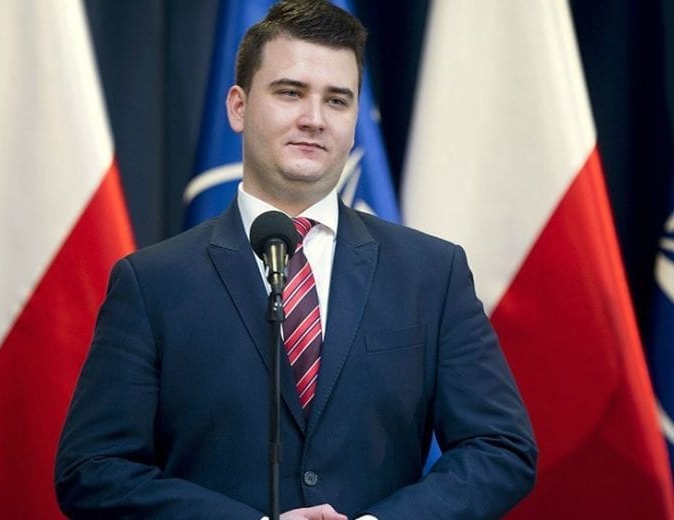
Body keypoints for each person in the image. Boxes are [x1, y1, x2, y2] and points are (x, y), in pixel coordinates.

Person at [54, 1, 537, 518]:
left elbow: (500, 447)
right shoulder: (153, 283)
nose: (314, 119)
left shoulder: (431, 274)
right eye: (290, 93)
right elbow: (93, 469)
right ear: (238, 107)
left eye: (337, 100)